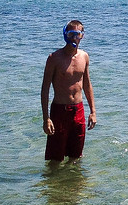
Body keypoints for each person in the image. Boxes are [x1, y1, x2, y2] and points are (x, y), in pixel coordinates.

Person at [41, 20, 96, 163]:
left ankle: (73, 185)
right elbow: (45, 89)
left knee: (76, 157)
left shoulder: (84, 56)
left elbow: (87, 84)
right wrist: (46, 118)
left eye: (78, 34)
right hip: (59, 111)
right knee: (55, 159)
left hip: (78, 110)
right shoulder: (54, 58)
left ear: (82, 36)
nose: (75, 38)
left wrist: (93, 111)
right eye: (71, 34)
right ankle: (53, 184)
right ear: (65, 34)